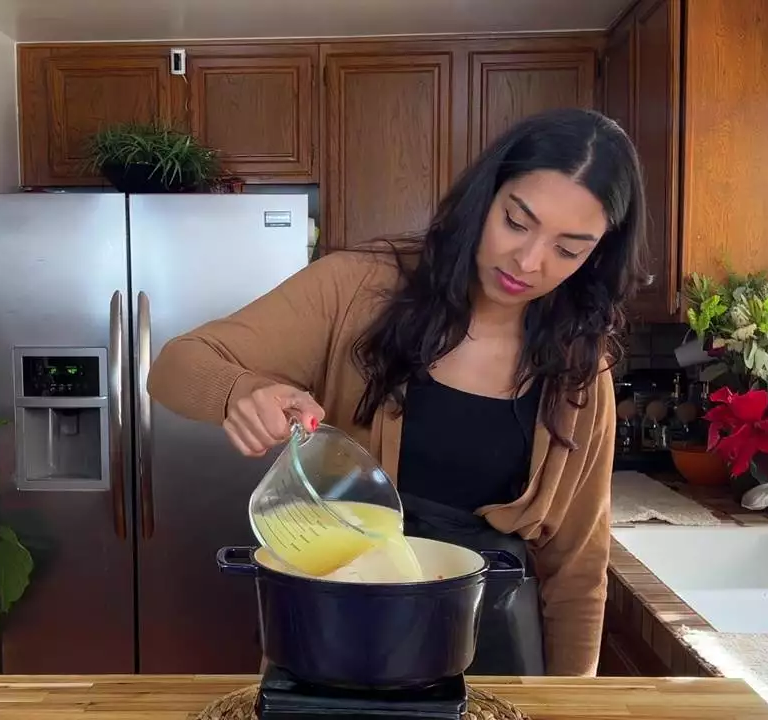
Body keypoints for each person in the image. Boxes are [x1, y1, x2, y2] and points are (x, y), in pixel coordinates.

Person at [148, 107, 644, 677]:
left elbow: (577, 567)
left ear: (597, 256)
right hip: (336, 630)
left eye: (568, 249)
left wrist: (572, 705)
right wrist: (242, 390)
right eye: (516, 221)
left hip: (496, 652)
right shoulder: (360, 288)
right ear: (486, 196)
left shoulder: (580, 367)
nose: (529, 262)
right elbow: (174, 365)